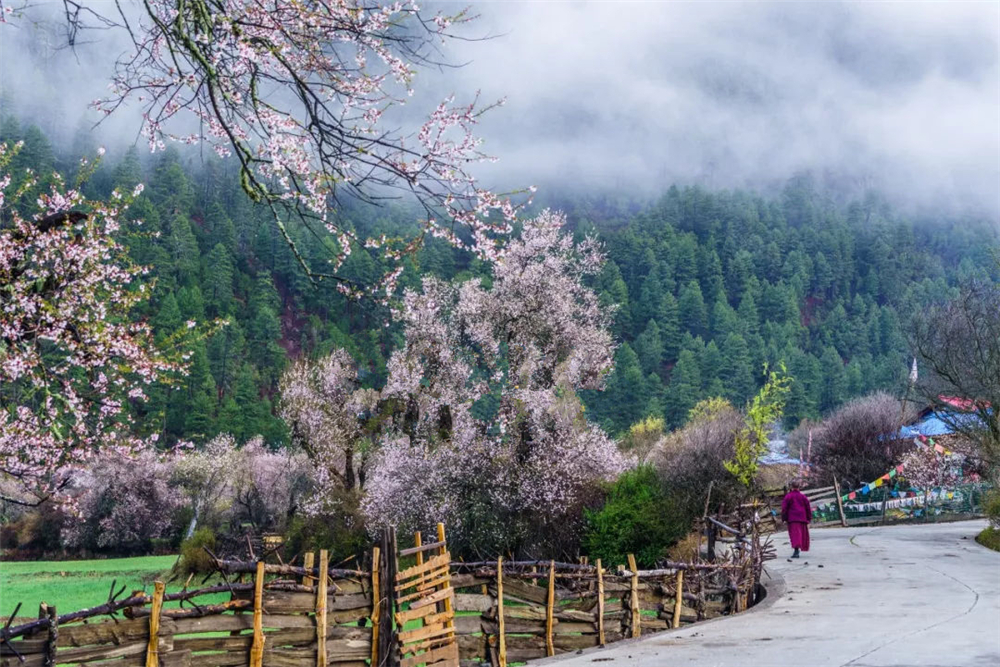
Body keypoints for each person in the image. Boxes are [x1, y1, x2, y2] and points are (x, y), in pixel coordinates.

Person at [781, 479, 812, 558]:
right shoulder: (803, 497)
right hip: (802, 518)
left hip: (793, 518)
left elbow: (784, 508)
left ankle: (796, 550)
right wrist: (808, 518)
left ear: (791, 487)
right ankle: (798, 549)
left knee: (795, 535)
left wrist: (784, 518)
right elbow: (808, 508)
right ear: (799, 487)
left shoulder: (788, 496)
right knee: (801, 534)